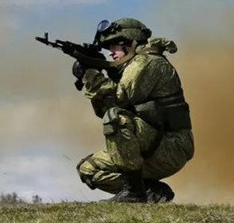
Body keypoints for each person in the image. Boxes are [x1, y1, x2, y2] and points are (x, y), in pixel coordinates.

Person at [75, 18, 194, 203]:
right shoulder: (128, 69)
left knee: (117, 119)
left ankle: (134, 194)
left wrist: (91, 74)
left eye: (114, 45)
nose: (111, 52)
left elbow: (119, 99)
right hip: (148, 144)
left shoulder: (149, 61)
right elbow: (104, 110)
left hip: (171, 147)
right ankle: (150, 190)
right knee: (88, 169)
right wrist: (92, 73)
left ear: (130, 42)